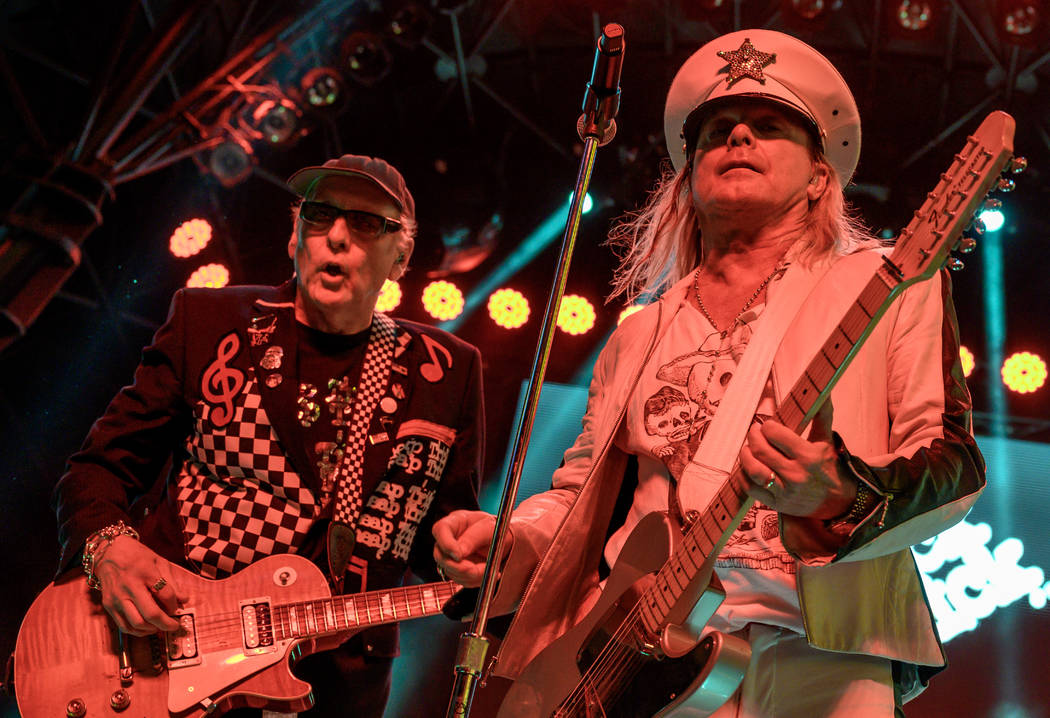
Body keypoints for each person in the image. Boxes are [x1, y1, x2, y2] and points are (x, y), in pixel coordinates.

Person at [433, 29, 985, 717]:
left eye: (770, 126)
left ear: (821, 176)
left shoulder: (887, 284)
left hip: (824, 656)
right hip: (643, 659)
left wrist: (837, 492)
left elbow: (953, 467)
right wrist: (511, 537)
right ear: (689, 175)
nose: (739, 137)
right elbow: (579, 496)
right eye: (719, 129)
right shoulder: (640, 330)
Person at [53, 154, 485, 718]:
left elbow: (440, 536)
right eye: (319, 214)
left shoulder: (446, 369)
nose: (336, 236)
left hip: (331, 684)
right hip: (169, 647)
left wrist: (462, 549)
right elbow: (97, 470)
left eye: (365, 223)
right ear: (293, 236)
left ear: (399, 256)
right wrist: (109, 548)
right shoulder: (208, 321)